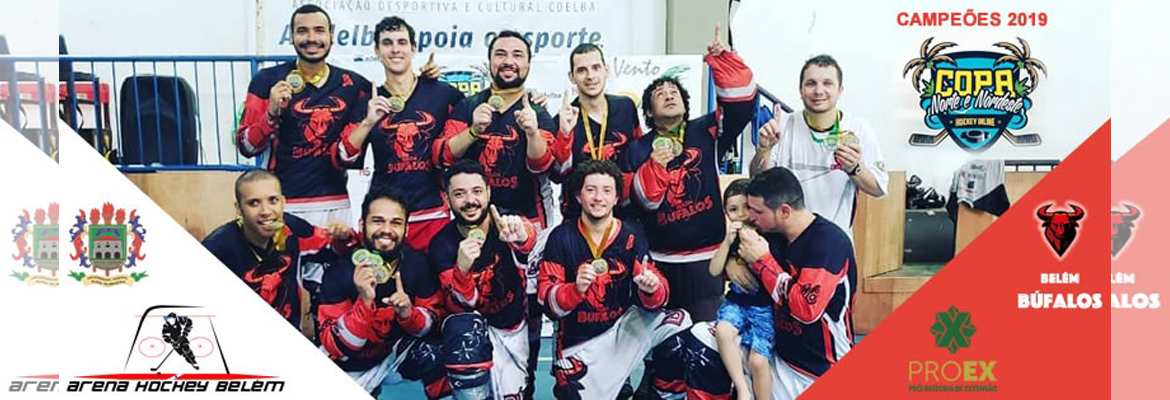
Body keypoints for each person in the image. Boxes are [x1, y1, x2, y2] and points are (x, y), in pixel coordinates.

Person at [627, 25, 757, 322]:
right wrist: (653, 170)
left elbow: (741, 106)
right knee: (664, 337)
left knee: (706, 333)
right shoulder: (637, 148)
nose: (669, 95)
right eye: (660, 93)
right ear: (649, 111)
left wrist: (724, 62)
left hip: (706, 258)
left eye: (674, 92)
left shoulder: (705, 129)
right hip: (661, 259)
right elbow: (639, 204)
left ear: (686, 104)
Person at [538, 160, 692, 400]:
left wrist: (650, 289)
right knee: (569, 393)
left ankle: (657, 394)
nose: (598, 197)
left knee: (679, 326)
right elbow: (547, 304)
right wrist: (574, 290)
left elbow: (658, 298)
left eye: (606, 191)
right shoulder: (561, 237)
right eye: (591, 190)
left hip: (621, 333)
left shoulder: (632, 234)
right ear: (578, 196)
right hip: (578, 343)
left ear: (616, 197)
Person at [236, 4, 373, 227]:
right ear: (291, 36)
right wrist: (270, 115)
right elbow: (247, 147)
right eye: (302, 31)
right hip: (281, 204)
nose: (311, 38)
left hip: (334, 204)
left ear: (332, 35)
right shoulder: (266, 80)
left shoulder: (355, 86)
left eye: (319, 30)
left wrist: (426, 79)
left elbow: (347, 157)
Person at [336, 16, 459, 252]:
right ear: (377, 50)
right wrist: (368, 122)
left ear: (413, 48)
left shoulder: (444, 94)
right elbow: (344, 156)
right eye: (387, 43)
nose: (395, 49)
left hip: (432, 214)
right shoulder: (368, 99)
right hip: (386, 217)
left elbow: (473, 133)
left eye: (402, 42)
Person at [316, 188, 450, 398]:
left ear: (406, 229)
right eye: (377, 221)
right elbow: (337, 348)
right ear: (362, 226)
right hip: (348, 366)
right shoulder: (339, 271)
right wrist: (365, 301)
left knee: (436, 352)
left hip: (393, 359)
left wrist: (409, 315)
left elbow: (434, 323)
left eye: (396, 223)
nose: (386, 230)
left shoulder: (418, 264)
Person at [737, 166, 858, 399]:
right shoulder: (771, 233)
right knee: (702, 341)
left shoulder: (829, 243)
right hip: (777, 355)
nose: (750, 216)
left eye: (757, 211)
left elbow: (806, 308)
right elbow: (733, 257)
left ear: (784, 211)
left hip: (820, 368)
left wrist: (763, 261)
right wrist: (733, 265)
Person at [429, 159, 537, 399]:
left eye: (477, 191)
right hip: (470, 329)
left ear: (488, 192)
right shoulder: (442, 245)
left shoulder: (507, 222)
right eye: (459, 194)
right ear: (447, 198)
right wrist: (462, 269)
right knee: (461, 327)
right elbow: (463, 305)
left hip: (511, 326)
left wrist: (521, 238)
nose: (470, 201)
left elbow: (529, 239)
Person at [202, 170, 352, 338]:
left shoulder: (292, 229)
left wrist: (343, 237)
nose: (266, 211)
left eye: (273, 200)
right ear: (239, 209)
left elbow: (332, 248)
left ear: (283, 202)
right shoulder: (217, 248)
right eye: (253, 203)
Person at [749, 54, 888, 235]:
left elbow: (878, 188)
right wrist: (764, 150)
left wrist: (854, 168)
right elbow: (758, 181)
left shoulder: (859, 128)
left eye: (827, 83)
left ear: (840, 90)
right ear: (800, 90)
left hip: (833, 240)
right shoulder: (783, 124)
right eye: (811, 83)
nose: (818, 91)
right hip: (786, 239)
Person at [434, 30, 556, 230]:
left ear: (528, 64)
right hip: (474, 220)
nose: (508, 61)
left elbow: (542, 166)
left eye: (517, 55)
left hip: (528, 221)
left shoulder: (538, 113)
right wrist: (473, 131)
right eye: (500, 54)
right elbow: (442, 157)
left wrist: (532, 133)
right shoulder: (468, 106)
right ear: (489, 61)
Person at [550, 43, 643, 219]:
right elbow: (557, 175)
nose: (590, 76)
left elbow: (639, 155)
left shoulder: (626, 107)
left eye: (596, 68)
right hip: (579, 217)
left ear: (606, 70)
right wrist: (565, 134)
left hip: (625, 214)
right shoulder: (563, 120)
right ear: (572, 77)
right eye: (582, 70)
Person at [708, 179, 771, 400]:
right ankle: (742, 388)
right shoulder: (731, 239)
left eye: (746, 207)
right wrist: (727, 243)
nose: (741, 214)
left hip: (764, 308)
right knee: (723, 330)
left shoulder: (767, 235)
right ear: (726, 213)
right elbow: (713, 270)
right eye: (734, 210)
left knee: (758, 361)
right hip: (737, 303)